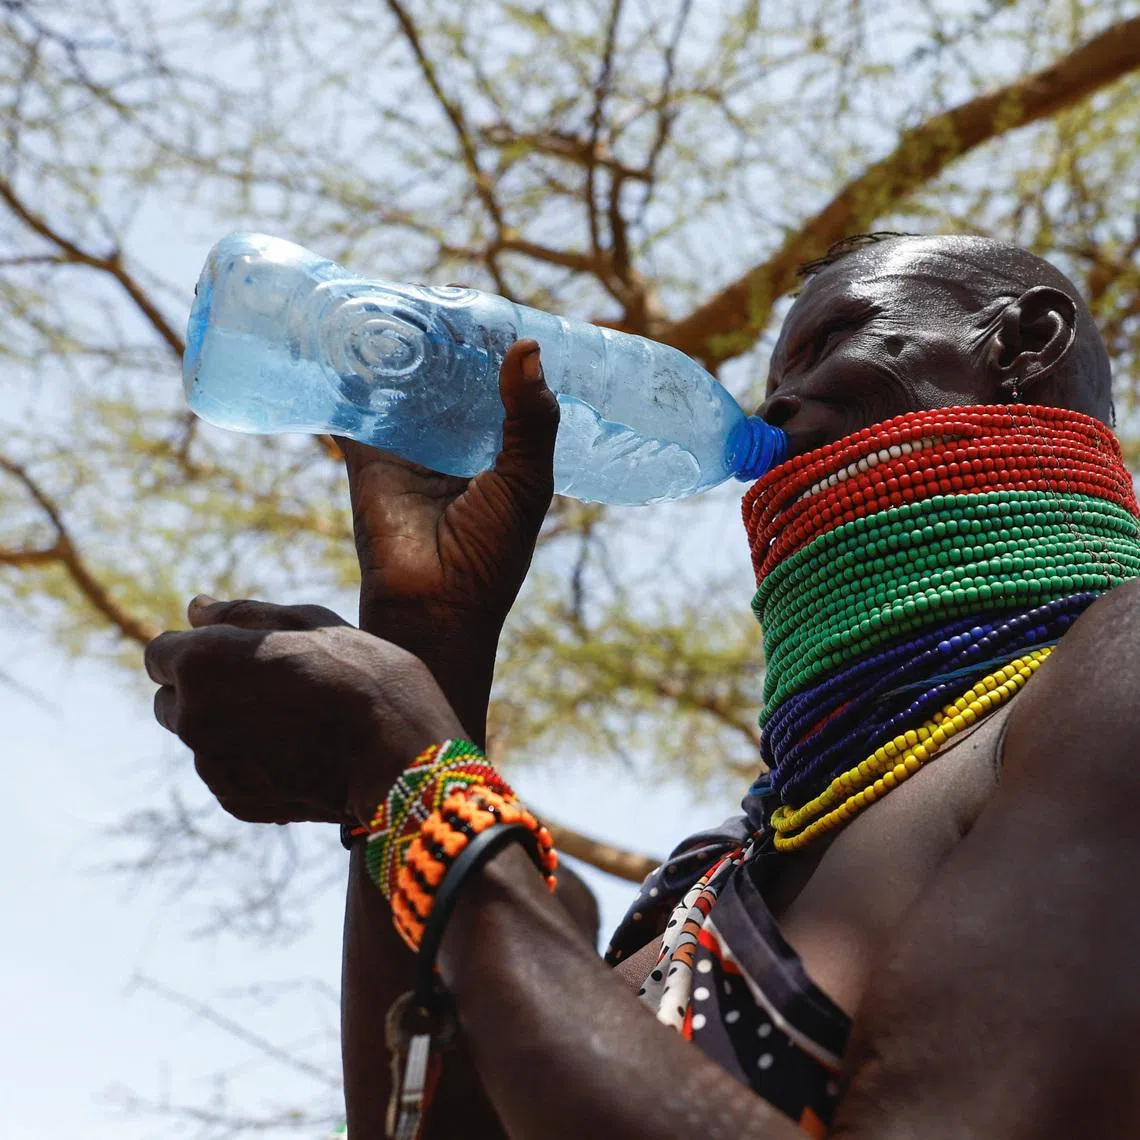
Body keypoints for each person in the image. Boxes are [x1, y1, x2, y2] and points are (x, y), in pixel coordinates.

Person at [146, 233, 1140, 1139]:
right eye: (771, 379)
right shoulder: (714, 881)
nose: (775, 408)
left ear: (1025, 339)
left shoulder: (1119, 670)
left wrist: (422, 793)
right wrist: (430, 640)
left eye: (835, 335)